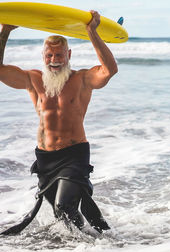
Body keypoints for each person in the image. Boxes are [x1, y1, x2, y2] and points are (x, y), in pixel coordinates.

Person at [0, 11, 117, 234]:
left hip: (74, 154)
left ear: (69, 54)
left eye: (59, 55)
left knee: (64, 206)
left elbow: (109, 70)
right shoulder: (33, 79)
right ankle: (89, 241)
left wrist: (91, 31)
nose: (54, 61)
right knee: (61, 212)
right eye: (49, 55)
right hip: (46, 159)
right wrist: (5, 31)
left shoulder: (82, 79)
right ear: (43, 55)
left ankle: (90, 246)